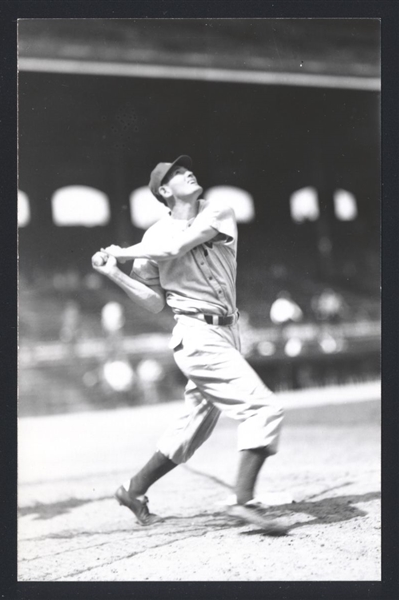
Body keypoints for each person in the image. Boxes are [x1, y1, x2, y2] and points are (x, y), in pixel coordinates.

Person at [92, 155, 286, 533]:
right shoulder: (152, 236)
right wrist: (115, 272)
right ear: (164, 191)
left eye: (187, 168)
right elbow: (153, 301)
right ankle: (244, 502)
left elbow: (175, 248)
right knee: (264, 408)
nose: (188, 172)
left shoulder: (218, 211)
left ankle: (133, 491)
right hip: (195, 333)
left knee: (192, 428)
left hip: (228, 331)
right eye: (177, 173)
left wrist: (120, 252)